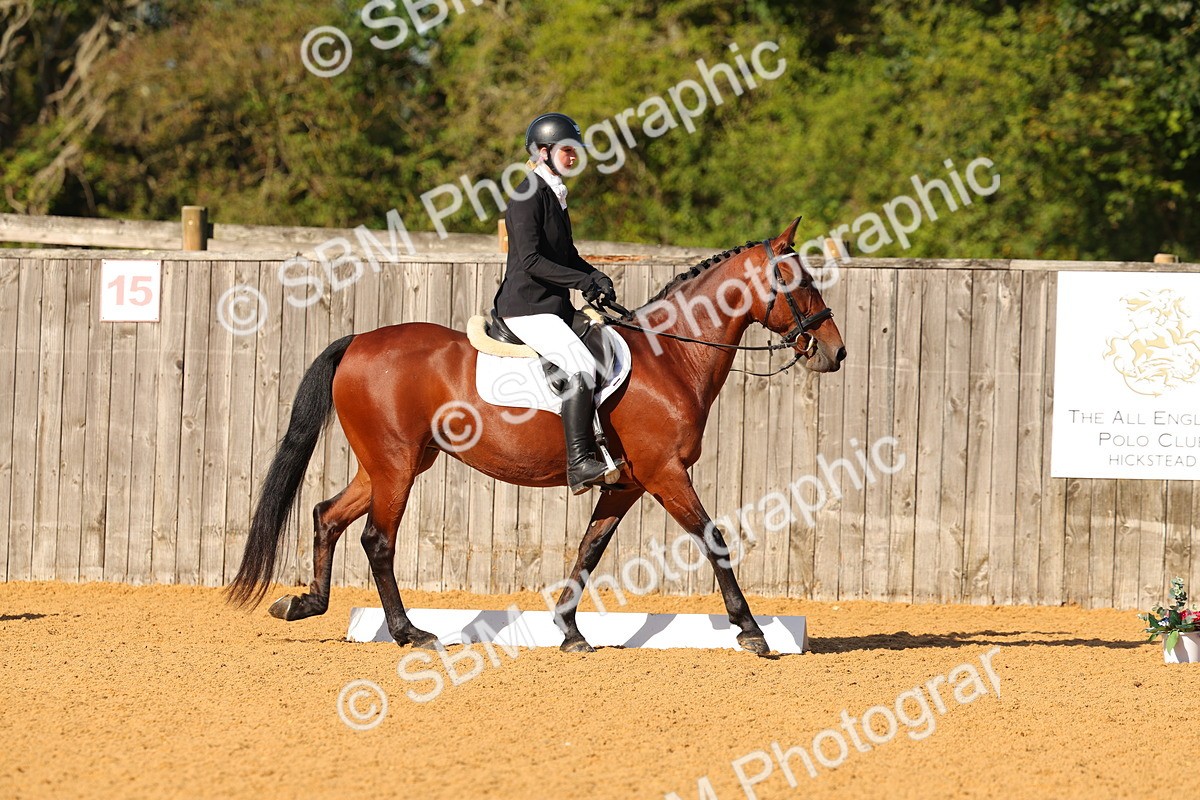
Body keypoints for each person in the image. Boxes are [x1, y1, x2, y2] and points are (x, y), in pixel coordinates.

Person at [493, 112, 620, 494]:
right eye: (568, 149)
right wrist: (582, 280)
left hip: (552, 305)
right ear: (544, 151)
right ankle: (580, 462)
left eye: (576, 149)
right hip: (526, 307)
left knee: (606, 342)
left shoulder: (554, 193)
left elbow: (566, 255)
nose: (574, 155)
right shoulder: (526, 193)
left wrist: (594, 276)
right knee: (580, 364)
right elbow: (531, 260)